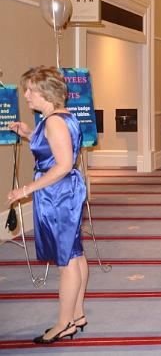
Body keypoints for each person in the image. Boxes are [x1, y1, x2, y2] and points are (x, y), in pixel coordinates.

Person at [5, 67, 89, 344]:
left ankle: (64, 324)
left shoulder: (54, 122)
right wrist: (30, 134)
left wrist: (25, 190)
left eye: (31, 90)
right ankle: (77, 315)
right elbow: (55, 149)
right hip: (62, 190)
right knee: (74, 253)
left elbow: (62, 165)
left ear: (47, 93)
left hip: (58, 194)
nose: (26, 95)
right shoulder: (59, 117)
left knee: (67, 260)